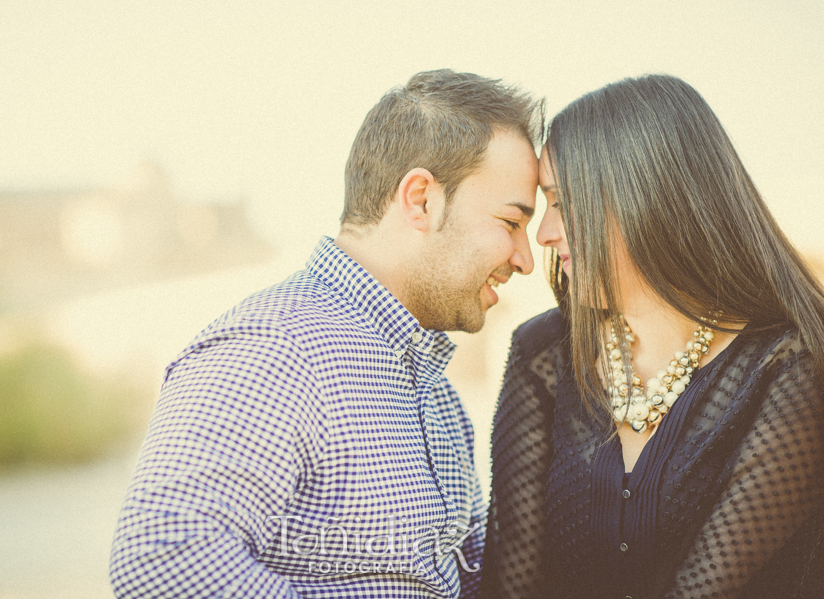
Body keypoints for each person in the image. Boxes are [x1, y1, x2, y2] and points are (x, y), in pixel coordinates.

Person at [109, 69, 543, 599]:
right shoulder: (272, 351)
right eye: (510, 222)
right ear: (421, 200)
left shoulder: (434, 392)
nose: (524, 259)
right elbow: (164, 559)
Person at [481, 74, 824, 599]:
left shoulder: (789, 368)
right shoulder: (543, 354)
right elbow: (512, 584)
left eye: (563, 205)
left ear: (646, 196)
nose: (545, 234)